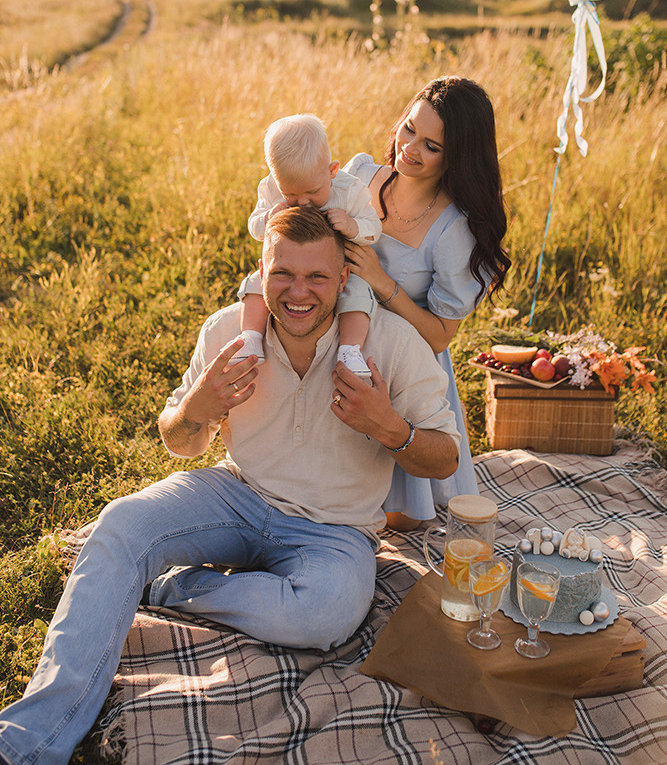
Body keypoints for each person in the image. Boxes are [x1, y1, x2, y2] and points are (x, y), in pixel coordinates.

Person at [0, 206, 459, 765]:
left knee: (328, 612)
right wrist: (198, 406)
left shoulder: (389, 340)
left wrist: (387, 425)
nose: (298, 292)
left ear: (344, 278)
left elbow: (446, 456)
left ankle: (173, 588)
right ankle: (29, 744)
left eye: (316, 277)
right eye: (282, 274)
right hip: (237, 495)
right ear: (259, 271)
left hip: (334, 530)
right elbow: (179, 438)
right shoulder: (228, 329)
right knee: (120, 524)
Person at [345, 75, 510, 530]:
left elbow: (439, 335)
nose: (410, 148)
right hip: (335, 338)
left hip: (406, 365)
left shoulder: (454, 230)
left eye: (432, 146)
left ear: (457, 157)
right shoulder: (359, 175)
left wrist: (381, 281)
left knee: (395, 521)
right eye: (409, 128)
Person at [232, 113, 381, 378]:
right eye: (290, 194)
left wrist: (351, 225)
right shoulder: (271, 187)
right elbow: (254, 227)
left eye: (312, 193)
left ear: (332, 171)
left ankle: (349, 350)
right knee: (258, 284)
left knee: (358, 295)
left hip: (338, 268)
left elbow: (374, 229)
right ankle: (251, 337)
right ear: (275, 178)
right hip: (286, 262)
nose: (301, 202)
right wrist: (268, 217)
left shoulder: (349, 191)